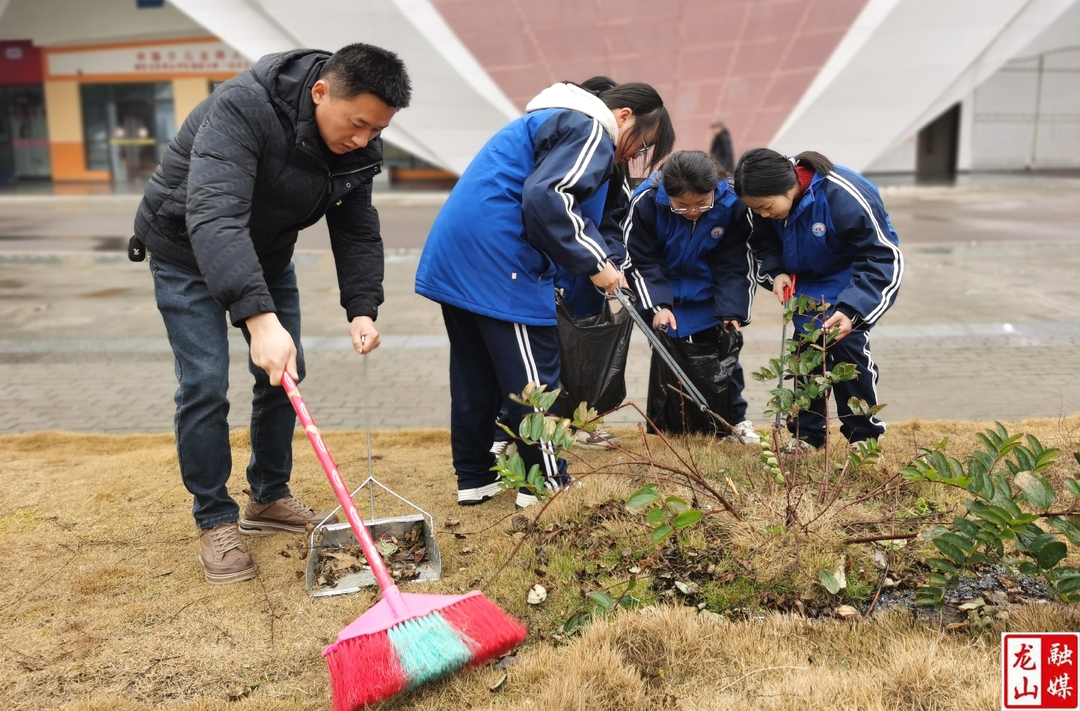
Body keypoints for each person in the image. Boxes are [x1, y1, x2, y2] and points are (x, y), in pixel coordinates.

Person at [134, 44, 411, 584]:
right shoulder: (242, 107)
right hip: (185, 248)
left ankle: (269, 496)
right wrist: (259, 319)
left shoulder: (358, 144)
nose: (362, 139)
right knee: (205, 382)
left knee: (287, 373)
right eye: (357, 124)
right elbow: (213, 214)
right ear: (321, 91)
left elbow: (356, 225)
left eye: (376, 131)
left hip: (264, 251)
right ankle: (214, 518)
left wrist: (362, 308)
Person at [416, 81, 674, 508]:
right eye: (641, 144)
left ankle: (476, 478)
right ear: (624, 115)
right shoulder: (592, 126)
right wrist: (597, 264)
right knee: (535, 377)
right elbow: (549, 196)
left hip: (457, 256)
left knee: (475, 375)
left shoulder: (544, 118)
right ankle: (548, 483)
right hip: (501, 261)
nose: (631, 156)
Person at [733, 148, 903, 452]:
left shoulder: (842, 194)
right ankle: (807, 435)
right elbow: (762, 243)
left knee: (849, 358)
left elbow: (883, 255)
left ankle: (863, 437)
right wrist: (777, 272)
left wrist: (852, 310)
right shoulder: (761, 203)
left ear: (787, 186)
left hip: (849, 281)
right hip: (807, 290)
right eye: (756, 210)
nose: (763, 215)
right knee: (804, 358)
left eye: (766, 207)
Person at [624, 150, 759, 443]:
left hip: (710, 294)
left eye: (701, 203)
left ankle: (735, 421)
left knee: (723, 357)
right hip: (662, 294)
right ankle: (676, 424)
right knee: (670, 359)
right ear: (666, 195)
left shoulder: (732, 203)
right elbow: (641, 260)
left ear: (715, 189)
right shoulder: (646, 201)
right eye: (682, 206)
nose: (693, 211)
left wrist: (731, 312)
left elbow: (735, 263)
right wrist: (657, 305)